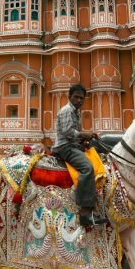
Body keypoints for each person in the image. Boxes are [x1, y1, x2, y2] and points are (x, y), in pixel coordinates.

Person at [51, 83, 107, 227]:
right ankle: (85, 213)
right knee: (87, 167)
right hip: (64, 147)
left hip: (73, 146)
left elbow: (75, 135)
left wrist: (86, 139)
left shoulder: (76, 112)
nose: (79, 100)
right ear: (70, 97)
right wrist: (84, 134)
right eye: (76, 97)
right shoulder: (66, 111)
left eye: (81, 98)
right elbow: (68, 132)